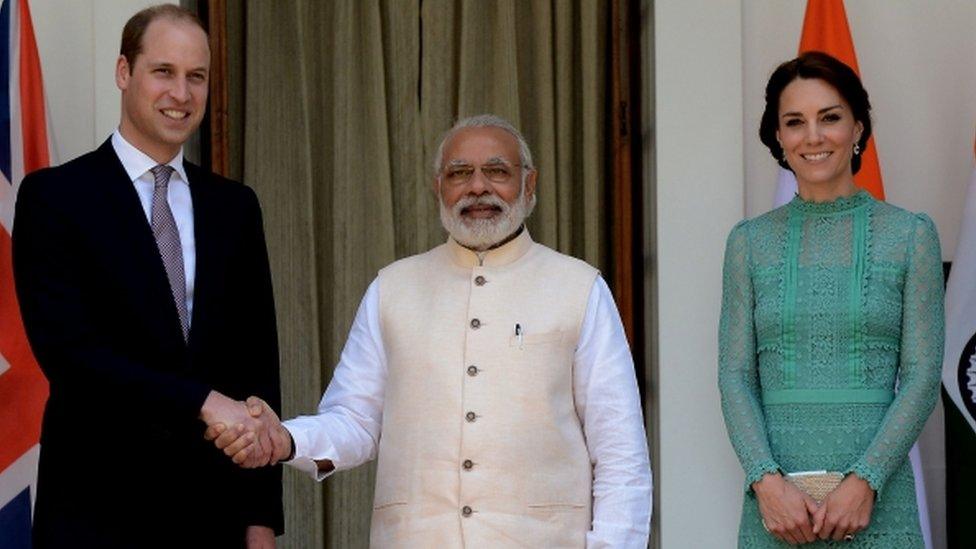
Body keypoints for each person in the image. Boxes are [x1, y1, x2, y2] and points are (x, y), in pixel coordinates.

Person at [209, 114, 653, 547]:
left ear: (529, 184)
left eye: (497, 171)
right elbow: (356, 420)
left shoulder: (578, 288)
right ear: (438, 187)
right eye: (460, 173)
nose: (478, 186)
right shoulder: (393, 288)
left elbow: (620, 453)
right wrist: (286, 439)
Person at [12, 5, 282, 548]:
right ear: (123, 73)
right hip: (96, 514)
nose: (181, 94)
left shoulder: (234, 207)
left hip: (214, 518)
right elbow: (71, 355)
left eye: (196, 76)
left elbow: (258, 367)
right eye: (164, 71)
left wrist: (261, 520)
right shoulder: (55, 198)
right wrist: (202, 400)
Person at [719, 51, 943, 547]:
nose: (813, 137)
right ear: (778, 137)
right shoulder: (748, 243)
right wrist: (766, 481)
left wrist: (866, 481)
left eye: (830, 117)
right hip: (776, 512)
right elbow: (735, 376)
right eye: (794, 122)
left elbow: (923, 376)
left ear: (859, 127)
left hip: (878, 503)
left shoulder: (910, 236)